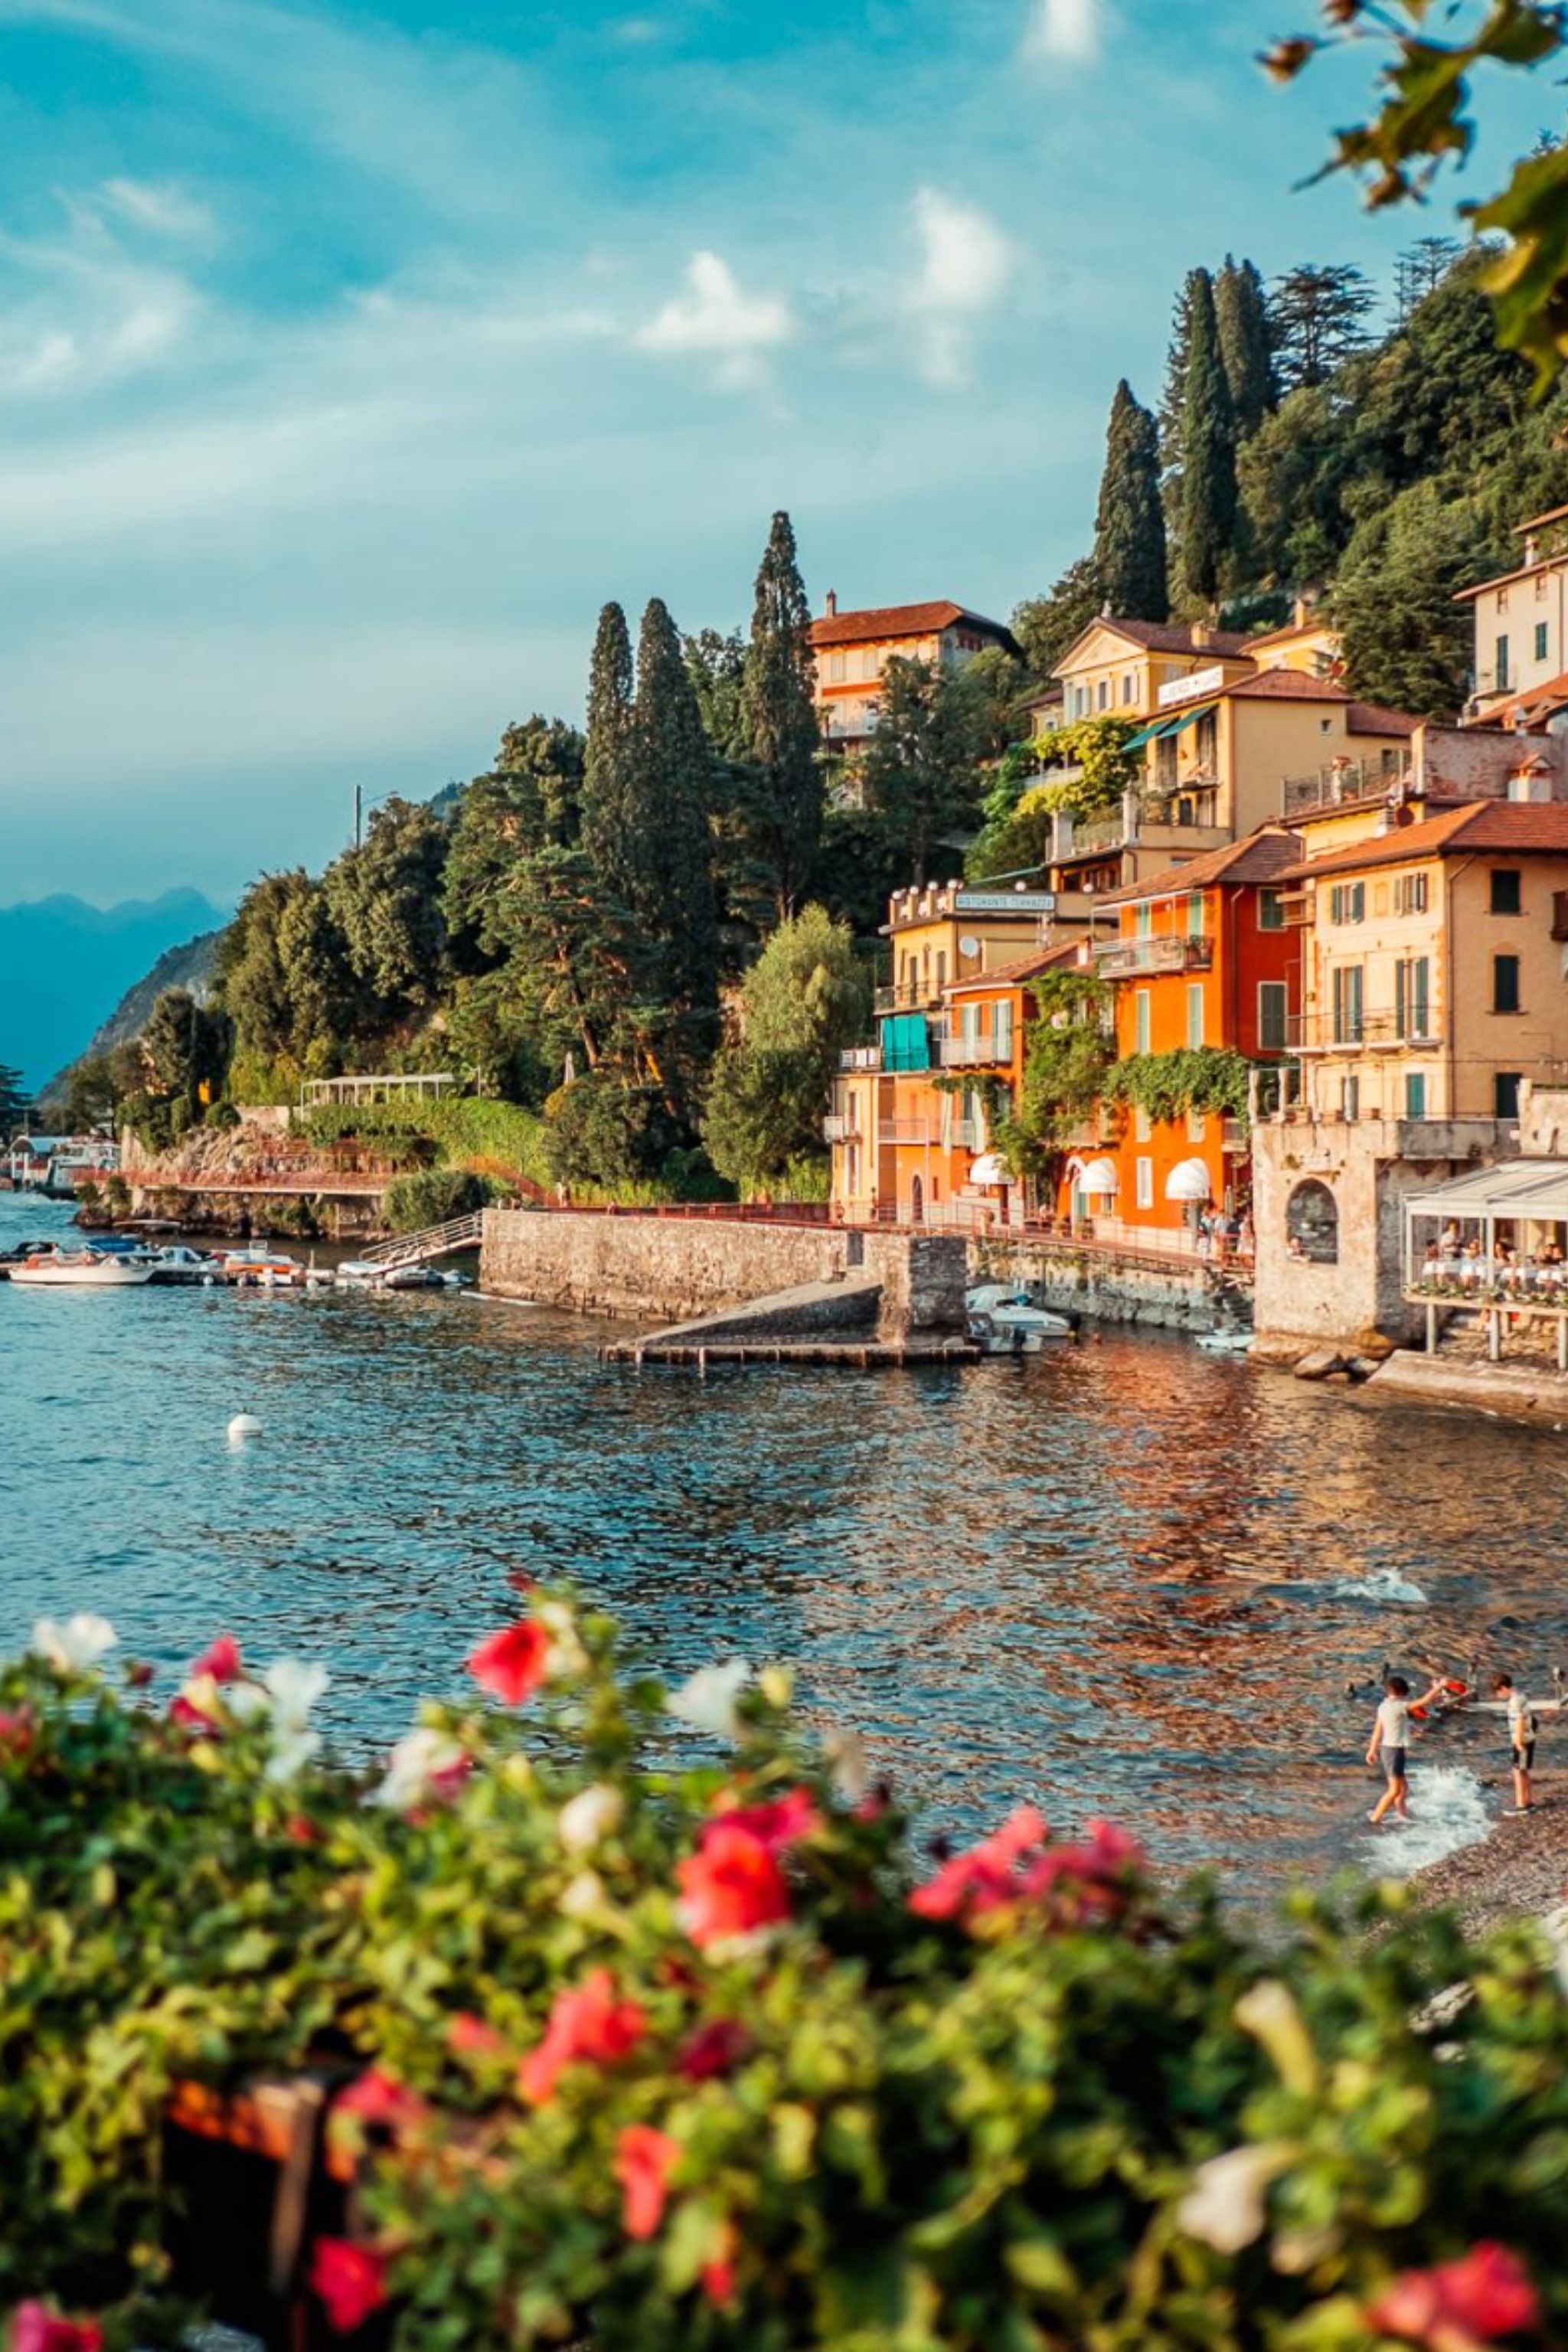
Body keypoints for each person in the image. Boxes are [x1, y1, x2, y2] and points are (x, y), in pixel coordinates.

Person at [1366, 1671, 1447, 1825]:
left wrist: (1372, 1750)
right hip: (1393, 1751)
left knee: (1403, 1787)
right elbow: (1424, 1701)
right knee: (1394, 1790)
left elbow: (1378, 1730)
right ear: (1403, 1692)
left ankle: (1401, 1814)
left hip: (1389, 1750)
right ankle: (1375, 1818)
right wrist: (1439, 1687)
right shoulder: (1399, 1706)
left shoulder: (1383, 1706)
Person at [1494, 1672, 1537, 1816]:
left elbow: (1520, 1721)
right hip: (1529, 1738)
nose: (1498, 1696)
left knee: (1517, 1772)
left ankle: (1520, 1805)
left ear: (1503, 1688)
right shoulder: (1521, 1696)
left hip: (1522, 1741)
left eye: (1498, 1693)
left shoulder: (1514, 1702)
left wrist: (1518, 1742)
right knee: (1524, 1771)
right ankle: (1528, 1802)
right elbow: (1532, 1719)